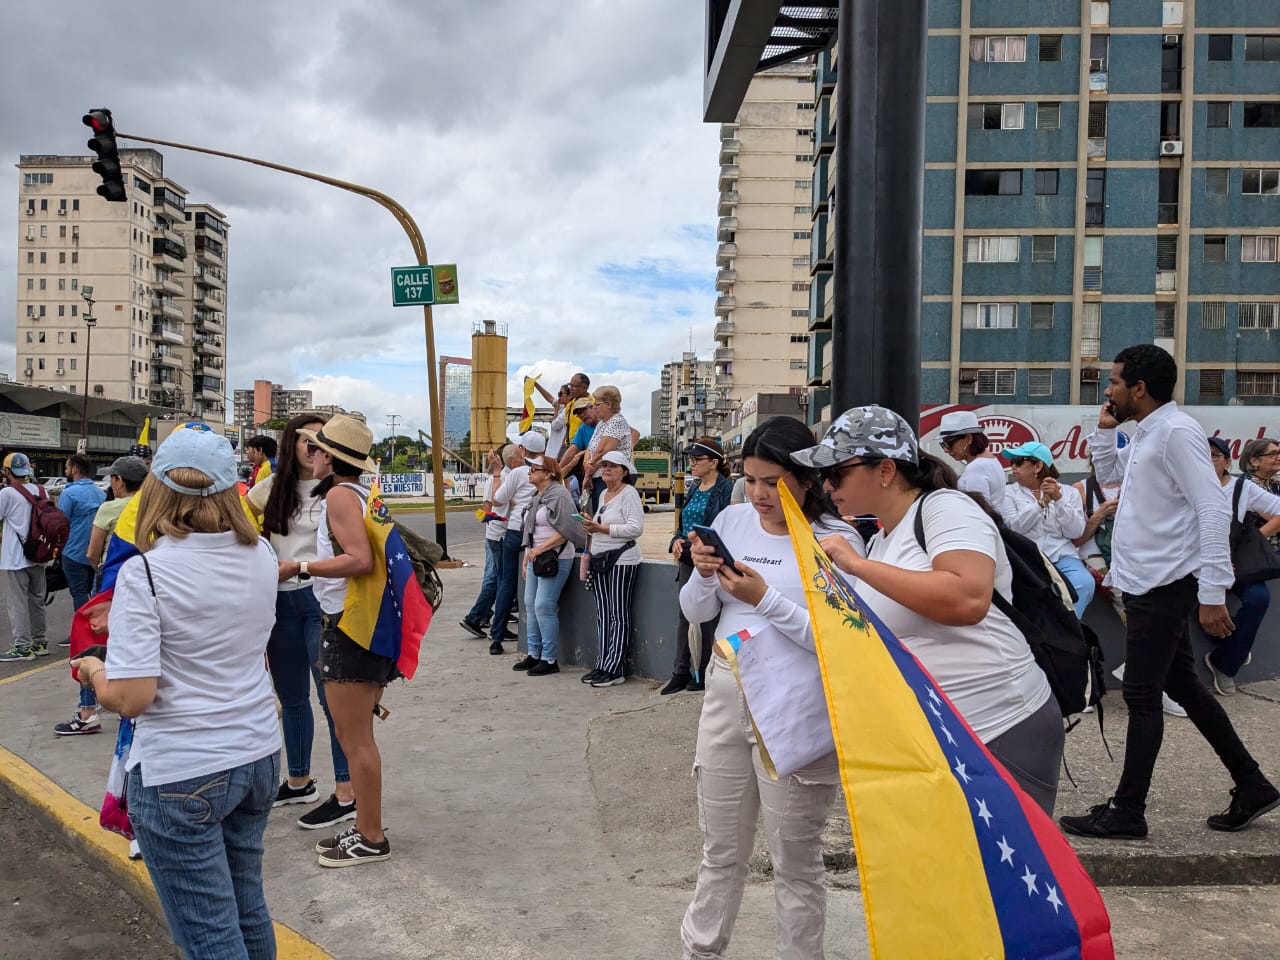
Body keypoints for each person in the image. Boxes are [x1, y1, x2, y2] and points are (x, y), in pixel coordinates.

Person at [70, 428, 281, 959]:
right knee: (246, 907)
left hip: (181, 770)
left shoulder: (147, 571)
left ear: (157, 492)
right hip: (255, 752)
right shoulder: (262, 557)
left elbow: (135, 696)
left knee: (209, 933)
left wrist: (93, 672)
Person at [1059, 344, 1279, 839]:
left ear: (1140, 387)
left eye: (1115, 381)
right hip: (1144, 581)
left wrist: (1213, 590)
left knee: (1141, 693)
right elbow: (1111, 477)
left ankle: (1128, 810)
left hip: (1165, 583)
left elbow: (1213, 508)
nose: (1108, 388)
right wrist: (1106, 428)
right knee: (1182, 686)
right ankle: (1252, 783)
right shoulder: (1149, 433)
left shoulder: (1177, 433)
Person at [805, 406, 1063, 816]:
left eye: (836, 472)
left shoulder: (945, 508)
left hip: (998, 726)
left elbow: (967, 598)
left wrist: (856, 566)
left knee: (998, 878)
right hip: (939, 736)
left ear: (886, 471)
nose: (826, 485)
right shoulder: (883, 539)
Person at [678, 416, 864, 960]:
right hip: (725, 695)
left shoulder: (837, 541)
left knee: (795, 862)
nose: (757, 494)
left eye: (772, 482)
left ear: (805, 478)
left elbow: (841, 642)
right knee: (720, 852)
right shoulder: (733, 521)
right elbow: (696, 611)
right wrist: (704, 573)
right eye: (750, 479)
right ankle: (699, 952)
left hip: (796, 710)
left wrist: (764, 599)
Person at [285, 415, 394, 866]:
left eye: (317, 448)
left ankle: (370, 838)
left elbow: (359, 559)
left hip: (349, 627)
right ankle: (366, 827)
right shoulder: (364, 494)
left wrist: (300, 567)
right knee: (358, 736)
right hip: (369, 625)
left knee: (356, 740)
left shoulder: (337, 496)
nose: (311, 454)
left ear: (331, 458)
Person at [248, 414, 356, 831]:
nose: (316, 446)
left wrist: (303, 568)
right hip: (277, 603)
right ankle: (298, 780)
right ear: (291, 444)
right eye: (308, 439)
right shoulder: (269, 489)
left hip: (321, 600)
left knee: (333, 701)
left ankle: (345, 791)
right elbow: (238, 528)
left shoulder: (340, 491)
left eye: (323, 439)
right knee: (291, 697)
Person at [1203, 436, 1280, 696]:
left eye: (1214, 455)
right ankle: (1236, 648)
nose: (1208, 460)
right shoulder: (1185, 487)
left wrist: (1256, 540)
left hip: (1234, 563)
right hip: (1197, 565)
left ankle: (1225, 663)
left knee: (1258, 598)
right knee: (1190, 603)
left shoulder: (1240, 488)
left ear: (1227, 462)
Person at [661, 438, 734, 696]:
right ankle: (681, 671)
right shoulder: (693, 488)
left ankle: (703, 671)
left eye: (697, 459)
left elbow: (727, 525)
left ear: (714, 462)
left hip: (711, 559)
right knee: (686, 614)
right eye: (691, 459)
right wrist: (676, 541)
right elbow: (683, 525)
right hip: (689, 558)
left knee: (709, 616)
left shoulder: (726, 489)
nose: (691, 464)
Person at [999, 441, 1095, 619]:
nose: (1013, 467)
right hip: (1026, 557)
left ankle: (1069, 628)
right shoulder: (1008, 492)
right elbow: (1014, 528)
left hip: (1062, 556)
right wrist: (1041, 504)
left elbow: (1075, 532)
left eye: (1019, 461)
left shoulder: (1068, 492)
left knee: (1084, 583)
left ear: (1038, 465)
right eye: (1012, 462)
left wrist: (1059, 500)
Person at [514, 456, 586, 676]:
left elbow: (567, 530)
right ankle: (534, 653)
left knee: (544, 605)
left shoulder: (560, 495)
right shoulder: (539, 496)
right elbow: (530, 529)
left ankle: (549, 658)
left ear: (548, 473)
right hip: (537, 556)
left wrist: (540, 549)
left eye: (534, 469)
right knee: (530, 603)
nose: (529, 472)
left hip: (555, 556)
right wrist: (528, 554)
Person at [579, 450, 644, 687]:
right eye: (603, 465)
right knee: (603, 614)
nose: (606, 469)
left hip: (621, 559)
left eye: (612, 466)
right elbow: (601, 524)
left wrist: (602, 530)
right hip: (601, 558)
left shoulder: (629, 495)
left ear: (624, 471)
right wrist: (591, 526)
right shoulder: (604, 493)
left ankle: (615, 667)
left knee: (617, 613)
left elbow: (635, 528)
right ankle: (603, 663)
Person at [51, 454, 105, 734]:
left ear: (73, 469)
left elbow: (61, 525)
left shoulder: (69, 494)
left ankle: (80, 636)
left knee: (78, 598)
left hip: (73, 553)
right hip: (93, 555)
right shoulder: (98, 492)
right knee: (90, 597)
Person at [485, 432, 545, 655]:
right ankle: (537, 640)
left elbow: (497, 499)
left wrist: (499, 475)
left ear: (522, 449)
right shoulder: (550, 469)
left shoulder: (519, 472)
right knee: (539, 586)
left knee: (506, 583)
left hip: (515, 529)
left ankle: (497, 637)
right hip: (539, 531)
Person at [459, 444, 518, 640]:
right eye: (521, 454)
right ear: (511, 459)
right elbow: (489, 508)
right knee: (498, 580)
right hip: (499, 535)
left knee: (495, 578)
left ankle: (485, 615)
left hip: (495, 534)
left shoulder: (504, 476)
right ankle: (475, 617)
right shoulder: (504, 478)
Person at [0, 453, 49, 662]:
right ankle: (40, 642)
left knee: (17, 602)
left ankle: (23, 646)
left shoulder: (8, 493)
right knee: (37, 600)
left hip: (16, 556)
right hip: (39, 554)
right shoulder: (41, 490)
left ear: (7, 471)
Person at [937, 410, 1007, 514]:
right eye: (943, 445)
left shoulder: (976, 467)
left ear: (968, 438)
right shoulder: (990, 461)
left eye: (949, 444)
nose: (946, 450)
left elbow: (977, 509)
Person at [579, 386, 633, 509]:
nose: (594, 407)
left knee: (607, 514)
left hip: (613, 476)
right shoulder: (602, 423)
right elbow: (590, 448)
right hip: (598, 474)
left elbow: (604, 452)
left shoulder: (616, 421)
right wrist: (587, 462)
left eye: (597, 404)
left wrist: (588, 473)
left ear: (608, 404)